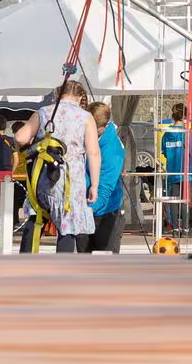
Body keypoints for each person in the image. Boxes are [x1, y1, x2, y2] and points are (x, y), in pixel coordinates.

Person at [15, 80, 100, 253]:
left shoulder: (44, 112)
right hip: (71, 178)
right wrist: (95, 185)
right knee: (67, 224)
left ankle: (24, 263)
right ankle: (62, 267)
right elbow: (93, 153)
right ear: (80, 97)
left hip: (43, 174)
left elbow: (20, 138)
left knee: (37, 215)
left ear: (58, 94)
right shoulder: (85, 117)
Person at [87, 102, 125, 253]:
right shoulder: (86, 138)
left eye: (91, 129)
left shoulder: (112, 150)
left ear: (103, 126)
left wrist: (84, 211)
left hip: (107, 213)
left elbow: (104, 189)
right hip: (86, 210)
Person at [160, 103, 192, 234]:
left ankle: (175, 227)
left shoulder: (166, 135)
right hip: (186, 172)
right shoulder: (186, 133)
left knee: (174, 200)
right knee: (185, 200)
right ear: (184, 117)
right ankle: (185, 228)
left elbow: (164, 151)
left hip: (172, 172)